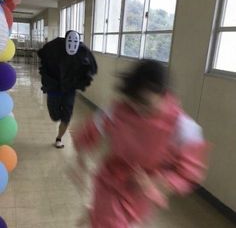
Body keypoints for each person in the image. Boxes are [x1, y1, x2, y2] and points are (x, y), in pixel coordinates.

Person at [71, 59, 210, 227]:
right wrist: (80, 160)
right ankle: (98, 214)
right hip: (111, 181)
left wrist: (157, 182)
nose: (138, 109)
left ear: (164, 94)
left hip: (142, 192)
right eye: (134, 102)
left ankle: (94, 214)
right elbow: (88, 132)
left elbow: (188, 172)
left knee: (120, 221)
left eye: (145, 103)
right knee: (110, 222)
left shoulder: (183, 128)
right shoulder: (118, 111)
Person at [37, 30, 97, 148]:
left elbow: (90, 66)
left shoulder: (82, 51)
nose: (72, 44)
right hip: (54, 87)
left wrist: (84, 75)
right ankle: (58, 117)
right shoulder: (55, 46)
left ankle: (59, 139)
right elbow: (43, 55)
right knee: (55, 116)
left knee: (66, 116)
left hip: (70, 88)